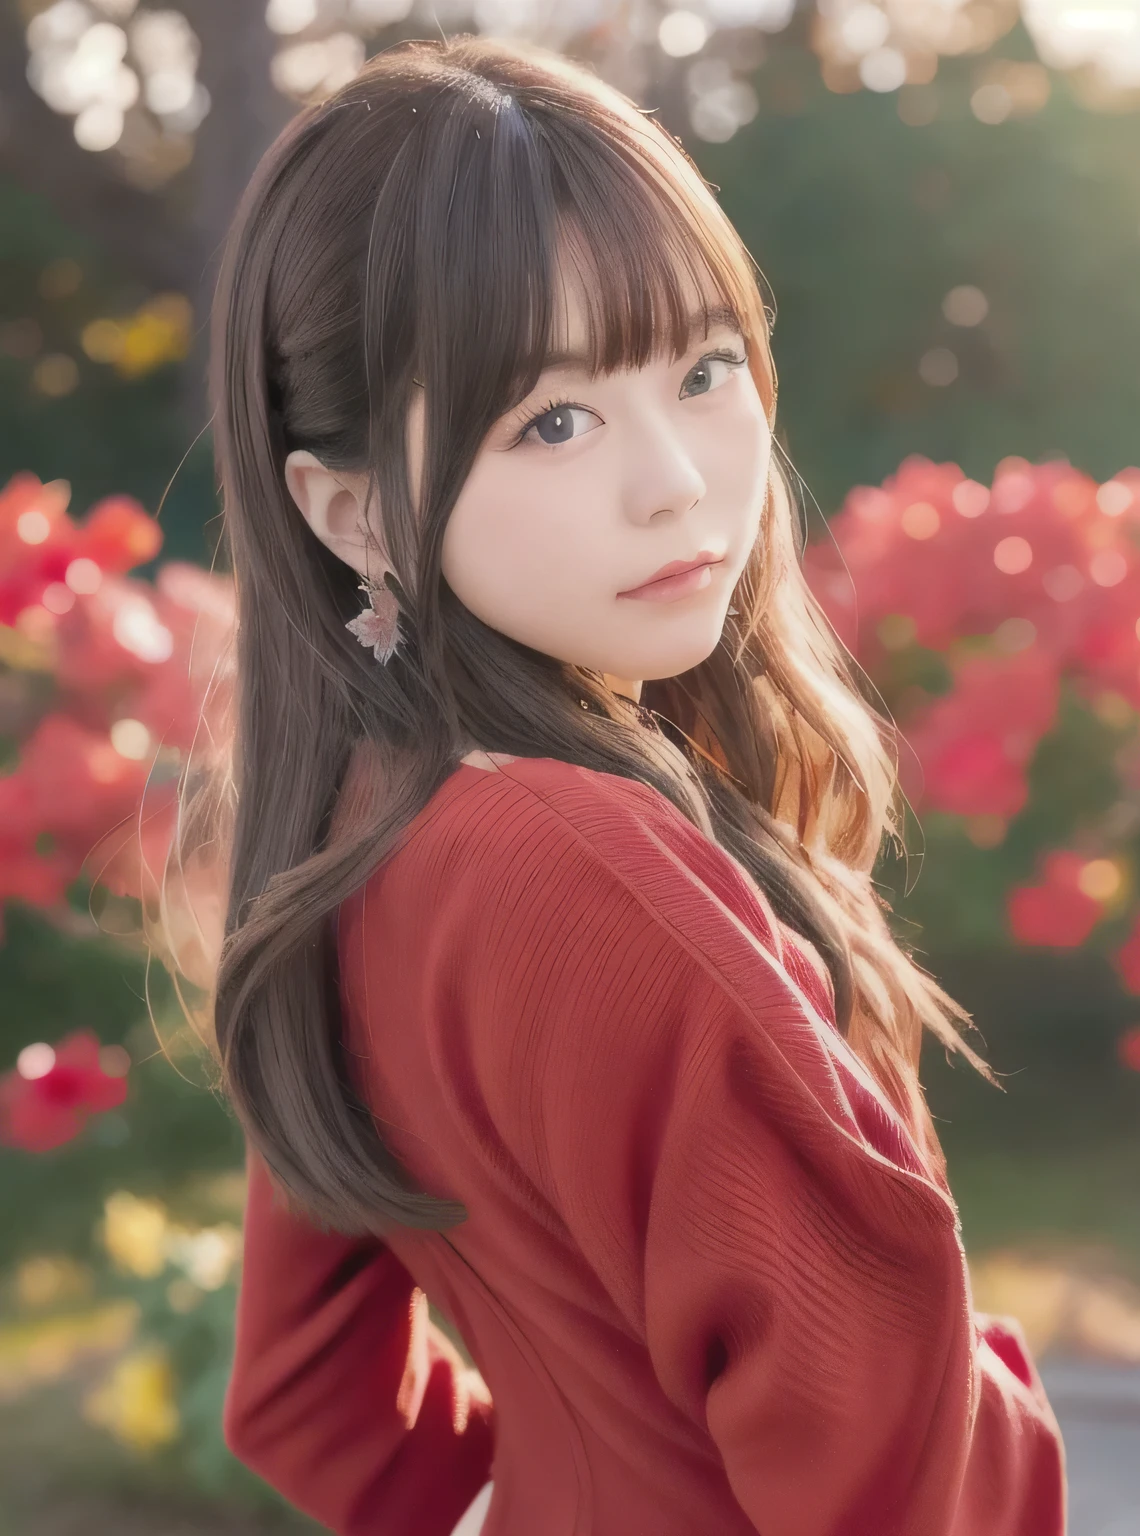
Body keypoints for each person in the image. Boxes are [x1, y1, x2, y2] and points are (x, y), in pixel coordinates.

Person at [181, 33, 1066, 1536]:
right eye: (554, 421)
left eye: (707, 370)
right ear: (350, 513)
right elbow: (902, 1482)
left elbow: (305, 1402)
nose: (678, 479)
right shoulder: (598, 873)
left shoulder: (354, 841)